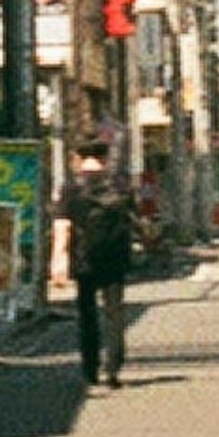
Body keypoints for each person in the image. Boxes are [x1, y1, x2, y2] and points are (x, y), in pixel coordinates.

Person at [60, 139, 138, 389]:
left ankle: (90, 370)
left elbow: (63, 226)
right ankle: (113, 368)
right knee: (115, 313)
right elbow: (134, 221)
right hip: (115, 257)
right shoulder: (121, 188)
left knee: (87, 314)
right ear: (104, 160)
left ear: (80, 159)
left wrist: (58, 260)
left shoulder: (71, 190)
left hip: (84, 258)